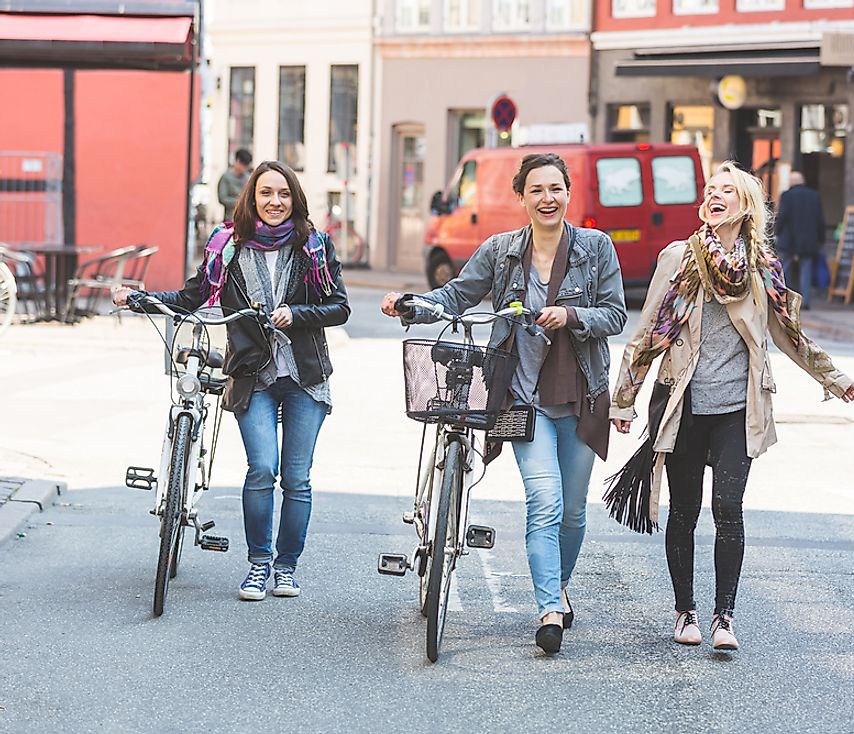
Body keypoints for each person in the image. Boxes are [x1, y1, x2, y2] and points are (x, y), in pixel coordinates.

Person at [606, 161, 854, 652]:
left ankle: (725, 617)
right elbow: (647, 332)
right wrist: (625, 399)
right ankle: (686, 613)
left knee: (728, 508)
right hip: (684, 405)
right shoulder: (679, 258)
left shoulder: (763, 267)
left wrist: (834, 377)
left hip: (738, 408)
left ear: (745, 207)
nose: (715, 195)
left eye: (726, 190)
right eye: (711, 189)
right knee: (683, 513)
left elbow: (789, 334)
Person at [381, 153, 627, 655]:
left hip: (581, 396)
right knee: (545, 502)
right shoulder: (500, 252)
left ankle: (558, 583)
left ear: (567, 193)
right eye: (536, 190)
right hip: (521, 396)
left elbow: (616, 314)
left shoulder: (595, 248)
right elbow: (455, 296)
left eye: (555, 188)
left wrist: (571, 315)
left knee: (574, 513)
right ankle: (548, 609)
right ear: (522, 197)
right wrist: (412, 304)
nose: (547, 198)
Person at [114, 160, 350, 601]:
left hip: (305, 375)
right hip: (251, 373)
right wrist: (141, 299)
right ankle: (259, 565)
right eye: (266, 193)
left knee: (296, 478)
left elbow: (339, 307)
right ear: (252, 198)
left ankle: (286, 567)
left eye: (283, 194)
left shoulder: (314, 247)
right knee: (262, 469)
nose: (275, 202)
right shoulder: (228, 246)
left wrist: (297, 315)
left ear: (294, 199)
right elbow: (193, 296)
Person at [774, 170, 825, 310]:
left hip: (788, 241)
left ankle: (788, 301)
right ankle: (806, 301)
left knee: (786, 270)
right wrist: (821, 238)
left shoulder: (787, 196)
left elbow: (782, 217)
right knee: (806, 271)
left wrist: (776, 232)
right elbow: (819, 219)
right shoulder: (814, 196)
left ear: (791, 182)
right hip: (808, 241)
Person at [218, 148, 253, 221]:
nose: (244, 168)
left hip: (246, 219)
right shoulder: (226, 177)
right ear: (237, 161)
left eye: (246, 166)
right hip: (230, 218)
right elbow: (222, 198)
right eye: (242, 164)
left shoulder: (249, 178)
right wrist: (240, 202)